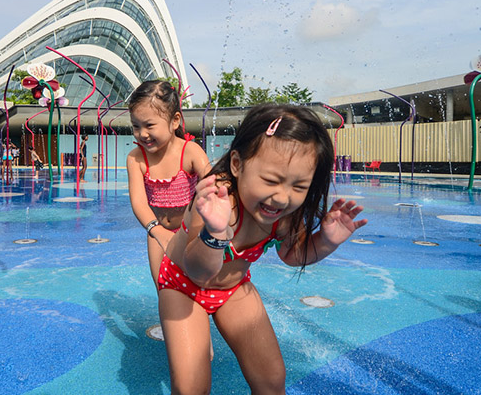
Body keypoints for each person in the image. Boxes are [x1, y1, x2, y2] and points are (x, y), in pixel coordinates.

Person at [158, 103, 368, 394]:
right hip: (183, 285)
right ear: (237, 165)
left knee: (271, 379)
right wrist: (216, 233)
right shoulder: (218, 201)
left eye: (299, 186)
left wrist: (325, 241)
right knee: (192, 387)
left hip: (232, 289)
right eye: (271, 180)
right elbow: (199, 271)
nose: (282, 197)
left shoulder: (283, 216)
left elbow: (292, 255)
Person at [126, 80, 210, 286]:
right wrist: (157, 230)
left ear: (175, 121)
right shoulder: (136, 158)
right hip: (157, 232)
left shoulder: (190, 152)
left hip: (191, 232)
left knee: (197, 284)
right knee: (163, 286)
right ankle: (168, 318)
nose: (142, 134)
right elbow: (139, 202)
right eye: (136, 126)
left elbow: (213, 184)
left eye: (149, 125)